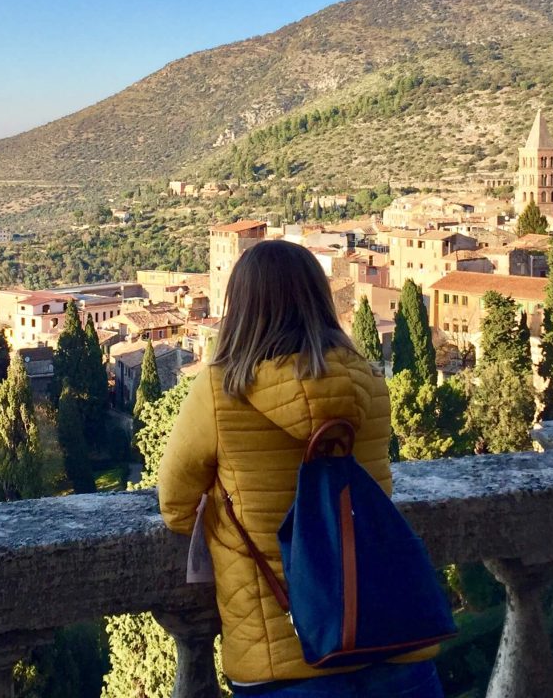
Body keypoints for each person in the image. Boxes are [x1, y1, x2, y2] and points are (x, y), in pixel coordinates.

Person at [158, 240, 444, 697]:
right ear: (318, 298)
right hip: (392, 641)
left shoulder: (221, 388)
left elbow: (174, 504)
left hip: (283, 660)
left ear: (242, 307)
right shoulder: (369, 382)